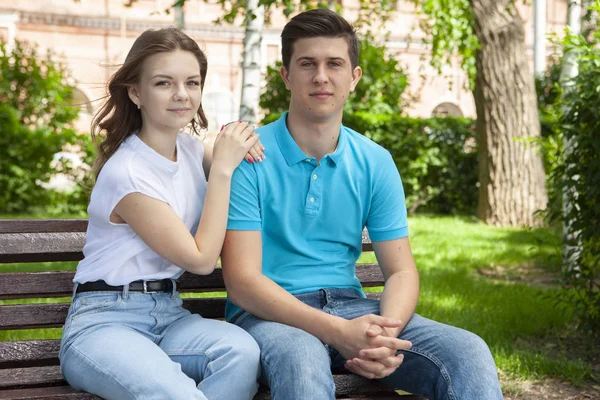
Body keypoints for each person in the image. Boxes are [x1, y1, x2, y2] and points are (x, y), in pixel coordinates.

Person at [221, 8, 504, 400]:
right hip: (270, 317)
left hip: (353, 309)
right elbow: (243, 283)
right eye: (307, 64)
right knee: (302, 359)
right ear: (286, 75)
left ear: (353, 78)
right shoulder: (250, 157)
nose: (321, 76)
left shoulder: (374, 161)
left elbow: (401, 271)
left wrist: (383, 335)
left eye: (334, 63)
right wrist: (338, 332)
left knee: (468, 352)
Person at [59, 27, 264, 400]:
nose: (182, 94)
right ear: (135, 92)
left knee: (241, 353)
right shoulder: (128, 173)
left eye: (192, 82)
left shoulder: (187, 149)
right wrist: (221, 169)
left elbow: (246, 159)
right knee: (176, 395)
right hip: (104, 323)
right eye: (164, 83)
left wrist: (243, 141)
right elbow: (201, 259)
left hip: (169, 315)